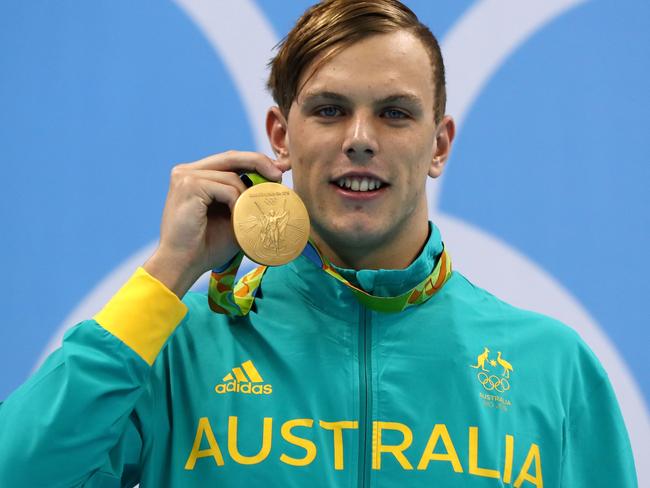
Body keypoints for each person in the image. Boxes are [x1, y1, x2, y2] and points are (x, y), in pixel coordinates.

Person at [0, 0, 637, 486]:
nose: (360, 138)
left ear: (438, 144)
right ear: (280, 136)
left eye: (395, 112)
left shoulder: (551, 367)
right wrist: (168, 274)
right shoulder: (177, 347)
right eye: (329, 110)